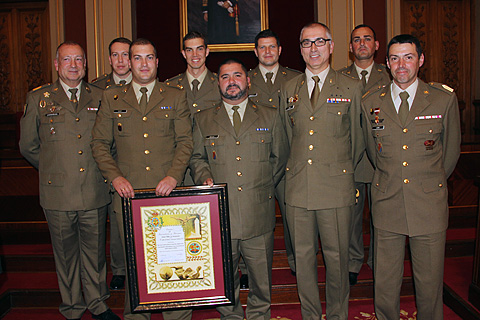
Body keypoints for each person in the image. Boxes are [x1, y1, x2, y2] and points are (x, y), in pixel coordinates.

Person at [91, 38, 193, 320]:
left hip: (168, 197)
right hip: (129, 196)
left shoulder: (174, 96)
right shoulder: (111, 98)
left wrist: (174, 176)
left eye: (149, 58)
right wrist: (115, 178)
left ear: (157, 62)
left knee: (173, 265)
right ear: (129, 62)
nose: (143, 64)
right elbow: (99, 144)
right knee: (137, 266)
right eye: (137, 58)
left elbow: (185, 142)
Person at [361, 34, 461, 320]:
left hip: (428, 203)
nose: (401, 64)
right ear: (387, 63)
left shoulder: (443, 99)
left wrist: (428, 183)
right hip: (387, 202)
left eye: (408, 57)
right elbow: (372, 151)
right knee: (385, 282)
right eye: (394, 58)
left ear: (421, 60)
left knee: (429, 284)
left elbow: (450, 154)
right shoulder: (371, 102)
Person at [19, 41, 120, 320]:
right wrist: (54, 170)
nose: (73, 65)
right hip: (58, 193)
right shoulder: (38, 98)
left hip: (94, 188)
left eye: (78, 60)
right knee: (65, 256)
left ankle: (98, 303)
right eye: (67, 60)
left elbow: (110, 144)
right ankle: (73, 307)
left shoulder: (101, 96)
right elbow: (28, 146)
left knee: (95, 252)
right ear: (56, 64)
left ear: (85, 64)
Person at [190, 58, 288, 319]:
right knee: (224, 276)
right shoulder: (203, 119)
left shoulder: (270, 114)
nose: (231, 81)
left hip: (258, 212)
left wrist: (261, 184)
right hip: (220, 214)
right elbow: (196, 158)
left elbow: (279, 158)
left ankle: (259, 315)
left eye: (237, 75)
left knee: (261, 280)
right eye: (224, 77)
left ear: (248, 80)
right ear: (217, 83)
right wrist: (204, 175)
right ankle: (230, 315)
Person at [280, 22, 364, 319]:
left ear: (331, 46)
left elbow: (358, 140)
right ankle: (311, 315)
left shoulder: (352, 87)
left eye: (319, 42)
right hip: (299, 187)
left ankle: (338, 315)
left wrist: (335, 169)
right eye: (306, 43)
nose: (313, 49)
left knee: (337, 259)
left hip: (335, 188)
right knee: (303, 260)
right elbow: (289, 139)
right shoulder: (289, 88)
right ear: (300, 49)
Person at [338, 24, 391, 286]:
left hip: (382, 159)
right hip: (351, 158)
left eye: (367, 39)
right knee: (352, 216)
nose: (362, 44)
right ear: (350, 47)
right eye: (356, 40)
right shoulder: (338, 78)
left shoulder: (391, 76)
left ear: (376, 45)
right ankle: (353, 261)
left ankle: (380, 262)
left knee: (382, 216)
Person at [248, 28, 300, 280]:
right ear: (255, 51)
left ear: (280, 50)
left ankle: (296, 262)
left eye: (272, 47)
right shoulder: (244, 79)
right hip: (254, 161)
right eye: (262, 47)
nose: (267, 52)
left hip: (290, 161)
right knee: (253, 217)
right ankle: (252, 268)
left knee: (293, 219)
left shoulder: (297, 79)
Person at [91, 37, 133, 291]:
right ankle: (119, 269)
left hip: (135, 165)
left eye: (125, 55)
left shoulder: (149, 86)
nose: (120, 60)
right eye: (115, 55)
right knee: (116, 225)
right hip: (108, 169)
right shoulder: (97, 90)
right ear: (109, 59)